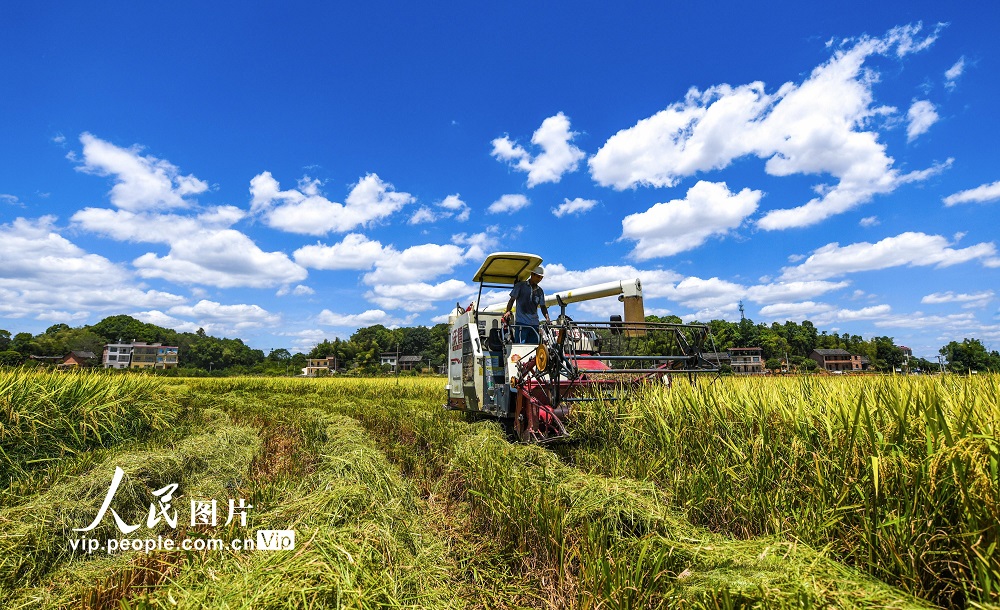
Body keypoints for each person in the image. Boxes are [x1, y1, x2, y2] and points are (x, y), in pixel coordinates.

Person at [502, 266, 551, 343]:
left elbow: (543, 306)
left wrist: (547, 318)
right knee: (521, 346)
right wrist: (508, 311)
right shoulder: (520, 286)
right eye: (538, 277)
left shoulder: (540, 291)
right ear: (532, 274)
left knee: (534, 347)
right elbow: (512, 300)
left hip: (534, 323)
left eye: (541, 278)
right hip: (522, 323)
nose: (539, 279)